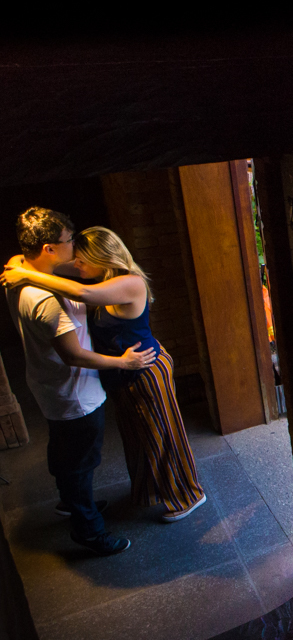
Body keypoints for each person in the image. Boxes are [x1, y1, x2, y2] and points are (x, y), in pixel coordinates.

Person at [3, 224, 207, 524]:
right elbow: (49, 265)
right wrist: (19, 262)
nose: (77, 265)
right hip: (124, 370)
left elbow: (82, 293)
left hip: (145, 370)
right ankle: (151, 491)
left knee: (163, 434)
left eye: (83, 260)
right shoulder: (99, 277)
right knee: (139, 437)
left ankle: (188, 494)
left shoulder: (130, 282)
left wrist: (25, 275)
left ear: (103, 258)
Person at [4, 208, 154, 556]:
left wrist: (21, 269)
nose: (75, 247)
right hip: (75, 394)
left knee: (64, 453)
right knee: (81, 464)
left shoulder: (21, 272)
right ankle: (88, 530)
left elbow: (74, 286)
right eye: (68, 241)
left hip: (49, 387)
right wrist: (122, 362)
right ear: (48, 249)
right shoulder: (42, 298)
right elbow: (74, 355)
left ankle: (70, 502)